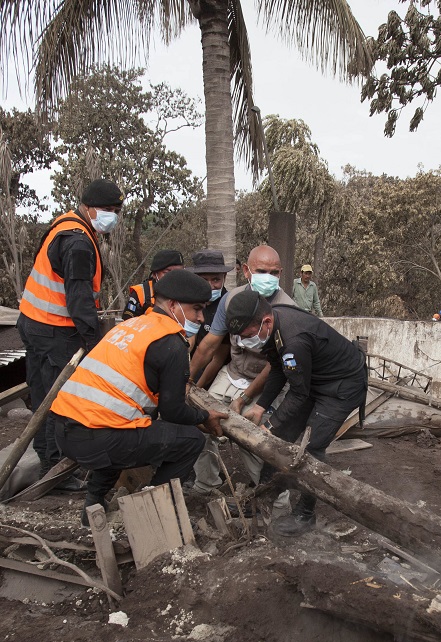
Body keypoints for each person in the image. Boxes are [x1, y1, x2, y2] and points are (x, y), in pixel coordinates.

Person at [50, 270, 228, 526]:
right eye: (197, 309)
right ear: (174, 305)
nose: (201, 318)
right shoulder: (171, 343)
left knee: (125, 430)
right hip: (96, 437)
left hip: (64, 430)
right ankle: (149, 514)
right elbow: (173, 412)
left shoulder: (130, 326)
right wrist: (204, 417)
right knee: (190, 441)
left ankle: (93, 506)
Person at [226, 289, 367, 536]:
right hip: (314, 380)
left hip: (341, 386)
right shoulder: (273, 327)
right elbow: (279, 369)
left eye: (247, 336)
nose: (244, 341)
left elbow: (299, 394)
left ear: (265, 322)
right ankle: (262, 497)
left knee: (311, 448)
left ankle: (305, 514)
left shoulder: (294, 340)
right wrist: (261, 407)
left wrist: (269, 425)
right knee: (280, 437)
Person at [18, 178, 124, 484]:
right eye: (107, 209)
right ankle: (55, 472)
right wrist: (94, 342)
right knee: (57, 400)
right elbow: (78, 299)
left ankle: (45, 460)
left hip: (34, 322)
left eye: (116, 210)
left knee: (41, 396)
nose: (112, 216)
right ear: (88, 207)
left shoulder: (66, 224)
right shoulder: (78, 243)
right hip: (54, 331)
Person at [187, 245, 295, 493]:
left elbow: (274, 366)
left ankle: (271, 497)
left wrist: (244, 398)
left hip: (266, 381)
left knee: (253, 442)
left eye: (274, 272)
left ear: (280, 274)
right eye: (261, 270)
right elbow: (209, 346)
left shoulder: (287, 309)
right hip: (233, 373)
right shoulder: (231, 299)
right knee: (200, 423)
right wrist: (187, 380)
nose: (268, 277)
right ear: (247, 270)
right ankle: (207, 483)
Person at [186, 249, 233, 351]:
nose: (210, 286)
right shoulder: (187, 302)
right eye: (204, 280)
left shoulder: (228, 305)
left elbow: (219, 354)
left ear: (224, 276)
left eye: (216, 279)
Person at [121, 249, 185, 320]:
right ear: (155, 274)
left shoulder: (190, 291)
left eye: (179, 272)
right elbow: (128, 322)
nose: (173, 276)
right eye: (167, 272)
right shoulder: (141, 293)